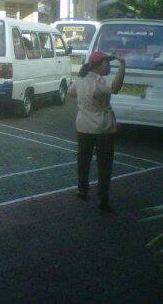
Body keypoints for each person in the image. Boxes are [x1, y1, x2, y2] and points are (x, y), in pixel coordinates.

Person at [68, 50, 126, 212]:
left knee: (83, 161)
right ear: (99, 65)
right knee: (104, 165)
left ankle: (82, 190)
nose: (109, 66)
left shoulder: (80, 79)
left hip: (83, 126)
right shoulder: (99, 81)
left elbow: (71, 92)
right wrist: (122, 67)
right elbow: (115, 88)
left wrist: (85, 101)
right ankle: (102, 197)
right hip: (102, 128)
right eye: (107, 63)